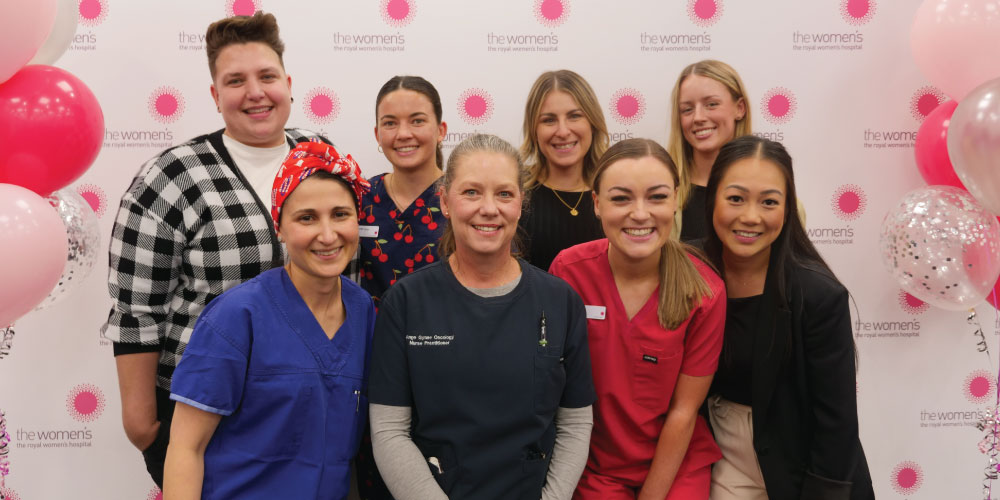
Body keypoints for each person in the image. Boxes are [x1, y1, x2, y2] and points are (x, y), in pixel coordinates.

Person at [100, 12, 329, 488]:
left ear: (288, 83)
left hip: (307, 400)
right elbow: (137, 309)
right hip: (205, 411)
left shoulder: (319, 156)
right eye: (235, 81)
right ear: (214, 95)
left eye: (267, 77)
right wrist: (142, 423)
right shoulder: (172, 176)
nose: (255, 92)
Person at [369, 134, 596, 500]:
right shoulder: (407, 302)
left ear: (521, 203)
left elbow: (575, 423)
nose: (489, 208)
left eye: (504, 194)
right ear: (444, 201)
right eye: (471, 192)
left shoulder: (560, 301)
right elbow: (388, 431)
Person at [163, 141, 374, 499]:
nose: (327, 235)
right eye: (307, 218)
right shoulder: (237, 316)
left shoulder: (364, 310)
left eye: (340, 214)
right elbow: (186, 447)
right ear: (280, 228)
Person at [550, 138, 726, 500]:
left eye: (657, 197)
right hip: (595, 468)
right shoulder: (568, 272)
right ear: (596, 204)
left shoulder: (704, 291)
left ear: (676, 199)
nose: (641, 213)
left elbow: (683, 410)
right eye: (621, 198)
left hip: (676, 464)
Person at [702, 135, 874, 499]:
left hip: (803, 460)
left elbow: (836, 422)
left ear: (787, 208)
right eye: (735, 198)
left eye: (769, 202)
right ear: (711, 197)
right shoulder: (690, 273)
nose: (751, 216)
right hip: (720, 454)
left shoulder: (818, 295)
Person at [356, 75, 448, 500]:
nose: (404, 133)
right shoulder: (358, 198)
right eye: (390, 123)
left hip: (446, 365)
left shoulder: (463, 199)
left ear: (441, 129)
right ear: (376, 134)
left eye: (417, 120)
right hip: (369, 367)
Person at [519, 69, 610, 271]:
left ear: (592, 123)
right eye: (549, 120)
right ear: (534, 130)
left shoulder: (616, 190)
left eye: (574, 116)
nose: (562, 131)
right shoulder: (515, 193)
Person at [667, 60, 751, 242]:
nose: (698, 117)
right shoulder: (663, 191)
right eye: (687, 109)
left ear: (740, 108)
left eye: (711, 104)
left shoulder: (771, 192)